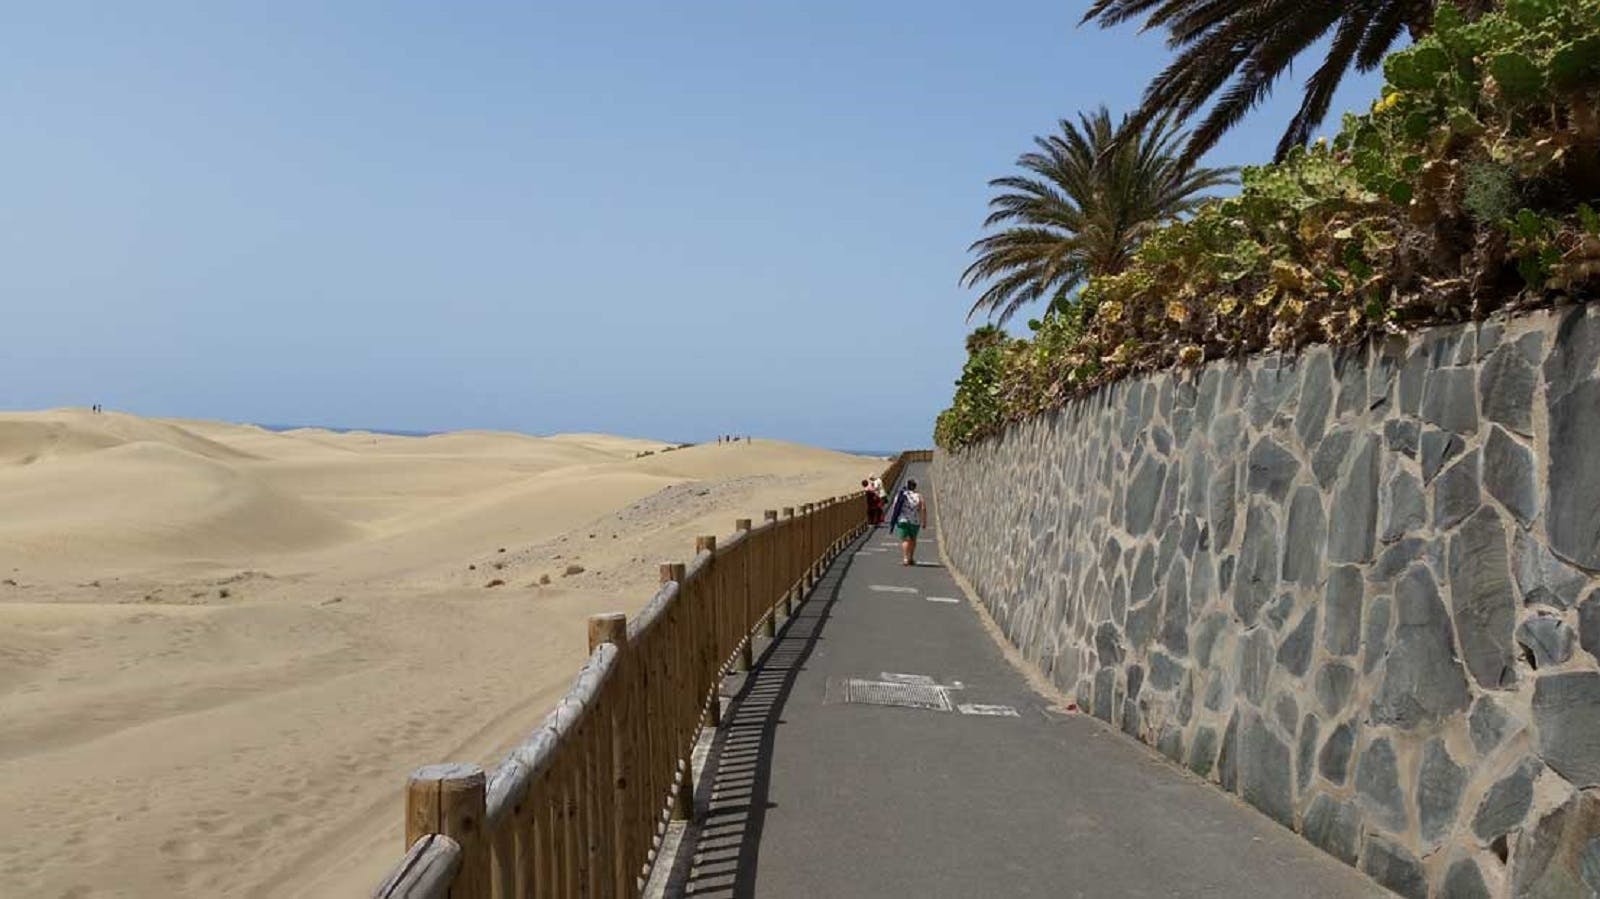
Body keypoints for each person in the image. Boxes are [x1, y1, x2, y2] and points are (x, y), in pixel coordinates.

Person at [886, 479, 926, 565]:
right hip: (915, 521)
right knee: (913, 539)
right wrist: (924, 521)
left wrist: (894, 519)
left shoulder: (901, 495)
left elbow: (895, 507)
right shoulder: (919, 496)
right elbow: (923, 508)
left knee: (905, 539)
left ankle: (905, 558)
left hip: (903, 520)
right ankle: (911, 557)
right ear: (915, 487)